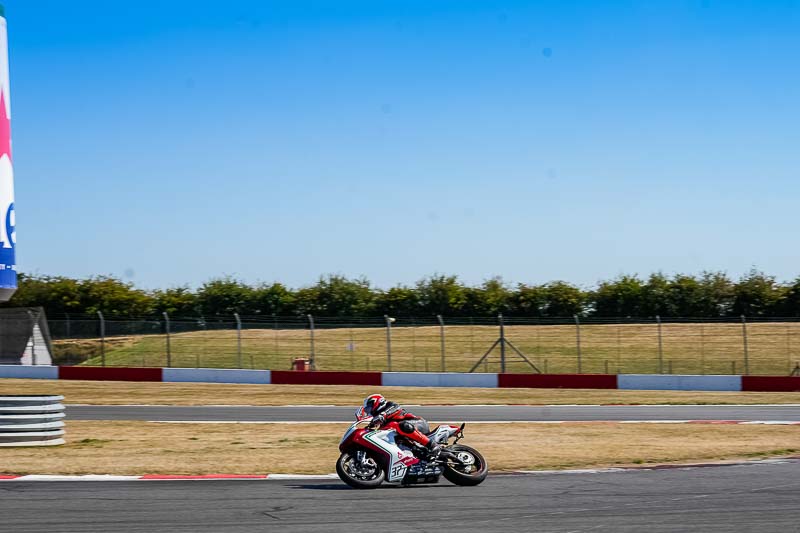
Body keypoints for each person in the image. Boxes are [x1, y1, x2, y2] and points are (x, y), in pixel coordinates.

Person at [361, 394, 441, 457]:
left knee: (398, 425)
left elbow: (393, 409)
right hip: (407, 436)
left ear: (377, 403)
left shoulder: (391, 405)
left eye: (369, 408)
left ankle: (432, 445)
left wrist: (382, 415)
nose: (369, 411)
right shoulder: (383, 423)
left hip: (417, 423)